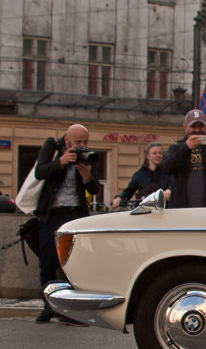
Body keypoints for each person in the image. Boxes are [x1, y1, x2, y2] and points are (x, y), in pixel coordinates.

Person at [33, 124, 102, 323]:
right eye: (77, 142)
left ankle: (70, 311)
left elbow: (95, 188)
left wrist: (87, 176)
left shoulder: (86, 157)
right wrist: (61, 161)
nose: (81, 146)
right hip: (51, 214)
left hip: (74, 214)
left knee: (71, 264)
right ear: (67, 140)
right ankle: (48, 306)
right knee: (47, 262)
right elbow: (40, 172)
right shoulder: (52, 147)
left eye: (85, 142)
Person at [162, 109, 206, 208]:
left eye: (201, 126)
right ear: (185, 127)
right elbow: (166, 168)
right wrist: (185, 148)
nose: (197, 130)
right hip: (182, 208)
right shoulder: (176, 147)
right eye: (193, 126)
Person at [110, 142, 170, 210]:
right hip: (145, 212)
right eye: (154, 153)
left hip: (164, 211)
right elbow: (129, 190)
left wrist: (169, 191)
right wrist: (119, 197)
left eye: (160, 153)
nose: (158, 155)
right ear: (148, 156)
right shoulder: (139, 174)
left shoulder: (168, 173)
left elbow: (173, 187)